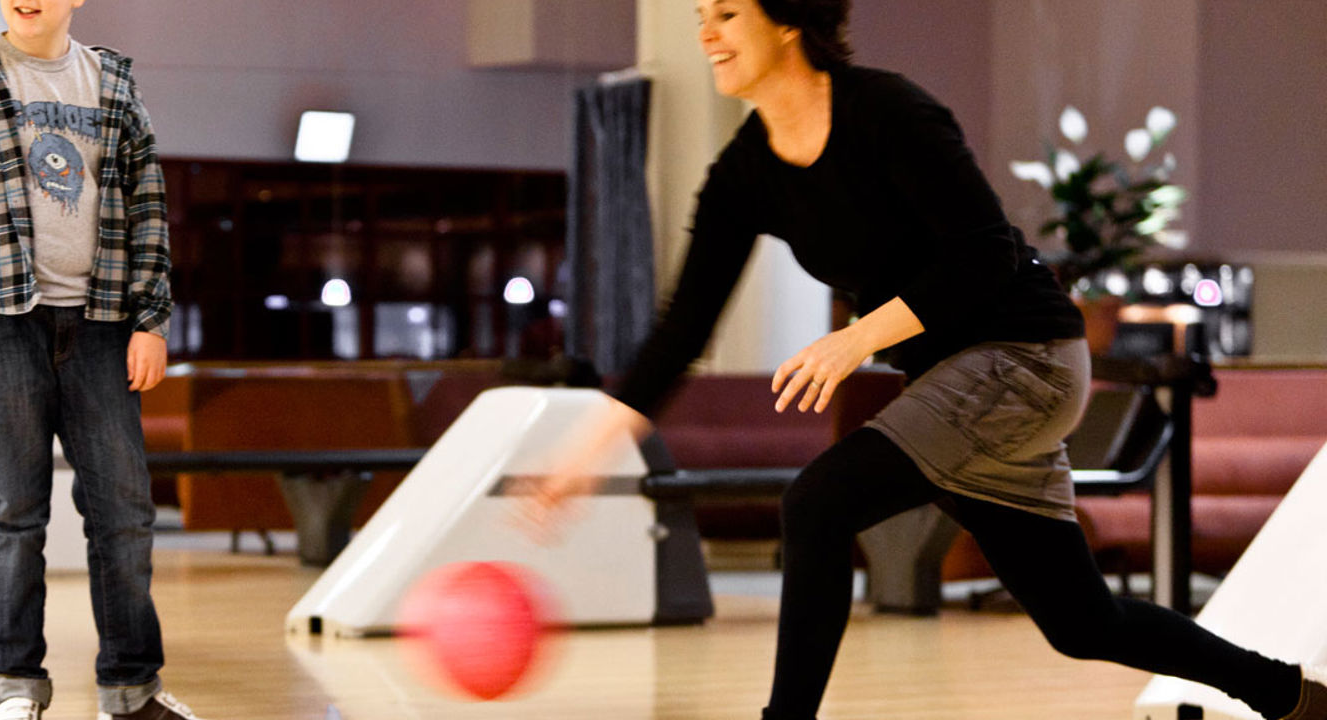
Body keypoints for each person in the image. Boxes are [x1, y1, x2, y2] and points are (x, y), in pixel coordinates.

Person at [522, 1, 1327, 718]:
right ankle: (1289, 695)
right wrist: (591, 449)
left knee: (817, 505)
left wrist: (857, 336)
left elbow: (984, 255)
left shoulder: (888, 112)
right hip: (960, 385)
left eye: (727, 13)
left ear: (788, 20)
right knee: (1083, 624)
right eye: (701, 16)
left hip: (1025, 356)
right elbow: (682, 329)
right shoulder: (744, 176)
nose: (706, 34)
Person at [0, 1, 203, 718]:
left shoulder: (113, 83)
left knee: (124, 513)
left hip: (102, 325)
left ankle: (131, 692)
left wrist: (150, 320)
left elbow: (148, 206)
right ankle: (16, 688)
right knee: (13, 513)